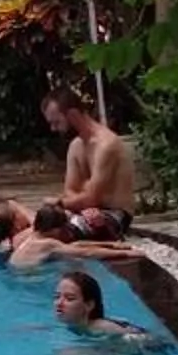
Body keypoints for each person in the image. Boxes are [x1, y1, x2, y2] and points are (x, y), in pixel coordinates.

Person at [32, 84, 138, 241]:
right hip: (83, 211)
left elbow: (92, 198)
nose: (53, 129)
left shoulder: (106, 145)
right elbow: (70, 190)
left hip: (113, 213)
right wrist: (76, 202)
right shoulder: (76, 146)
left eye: (57, 122)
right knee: (43, 221)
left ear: (72, 115)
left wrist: (61, 202)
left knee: (57, 233)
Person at [51, 266, 165, 347]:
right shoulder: (76, 324)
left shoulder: (101, 327)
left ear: (89, 305)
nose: (59, 303)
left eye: (69, 299)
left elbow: (148, 341)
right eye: (57, 296)